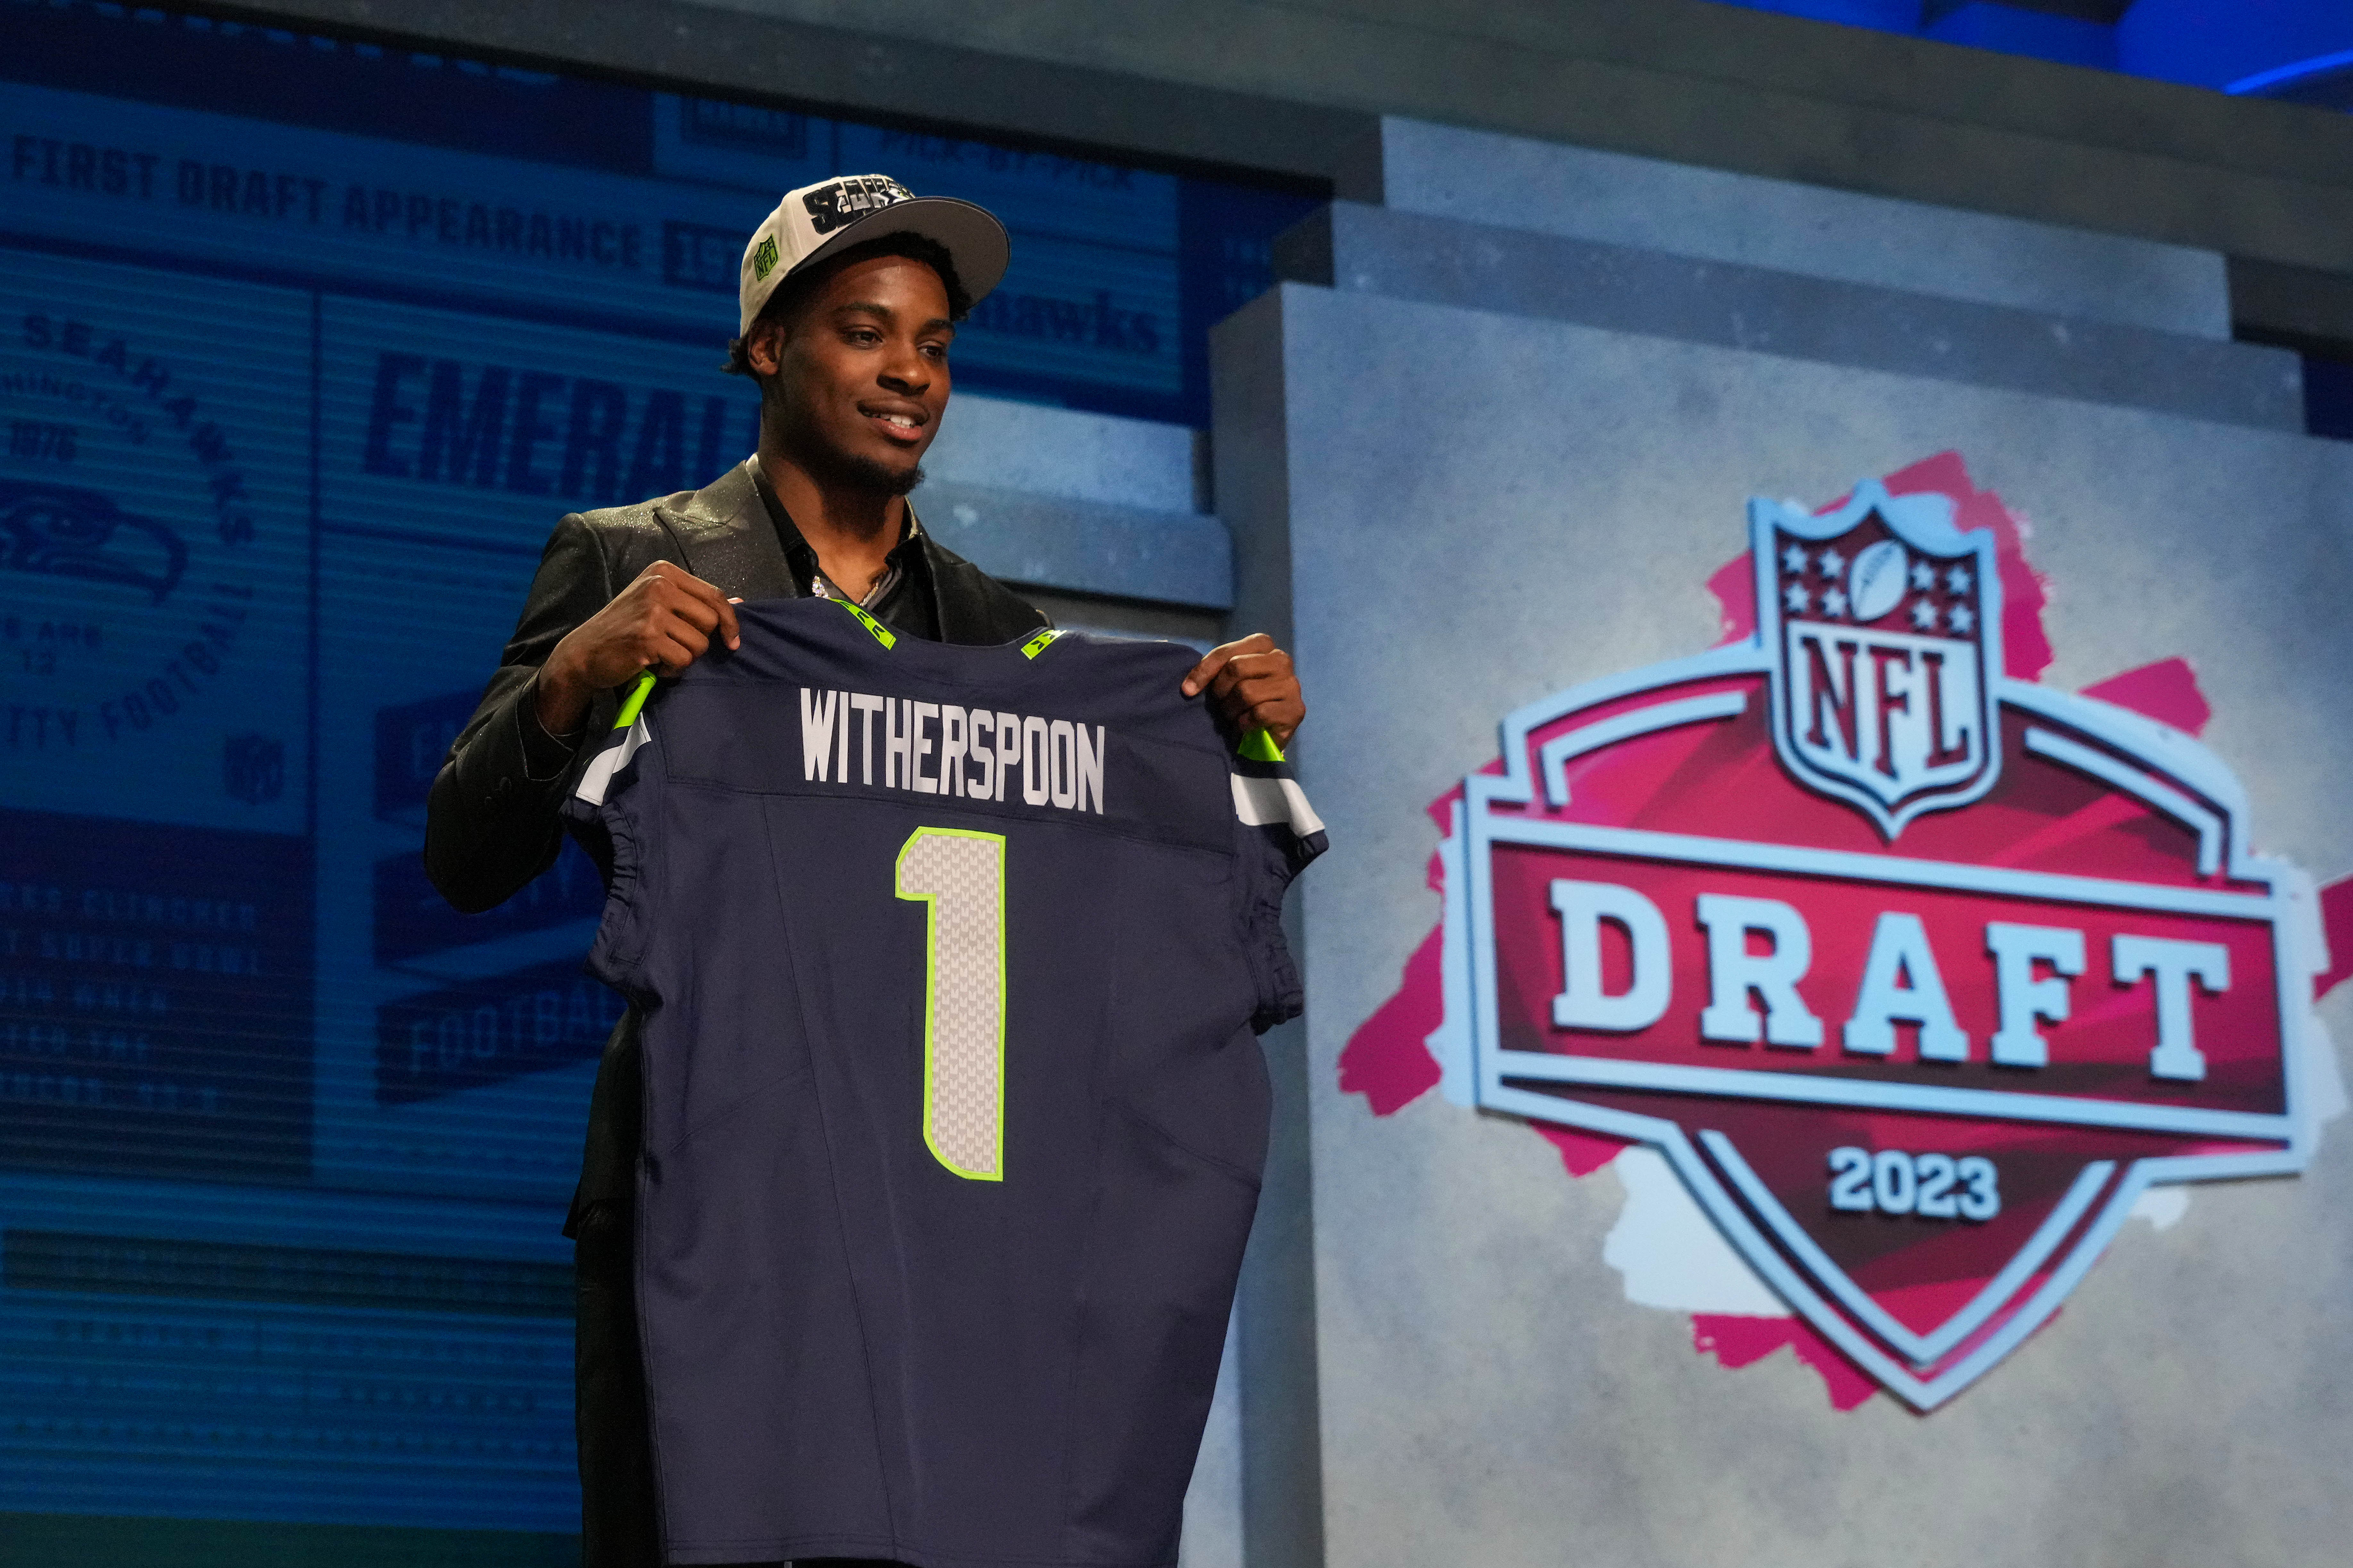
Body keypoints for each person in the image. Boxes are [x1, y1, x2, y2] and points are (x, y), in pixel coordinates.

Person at [423, 174, 1306, 1568]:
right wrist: (577, 674)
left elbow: (1110, 939)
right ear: (768, 345)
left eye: (936, 344)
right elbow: (464, 860)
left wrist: (1220, 759)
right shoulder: (630, 557)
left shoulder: (998, 633)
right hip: (718, 1194)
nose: (911, 374)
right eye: (865, 332)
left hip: (951, 1219)